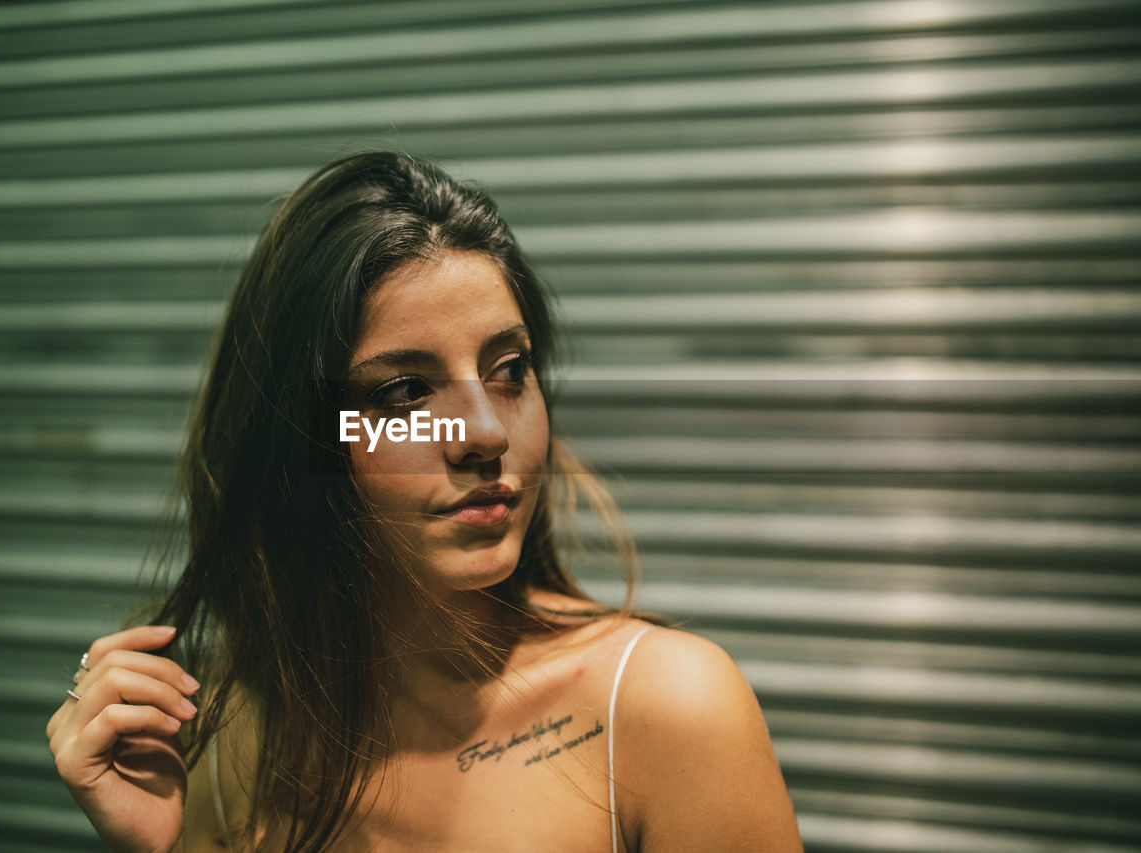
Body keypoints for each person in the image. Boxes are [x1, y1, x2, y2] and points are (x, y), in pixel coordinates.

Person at [45, 151, 803, 852]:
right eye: (404, 391)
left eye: (508, 369)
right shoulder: (230, 740)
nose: (483, 432)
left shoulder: (665, 709)